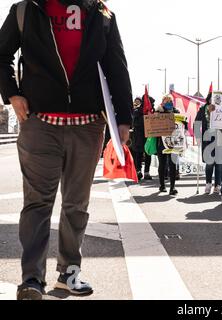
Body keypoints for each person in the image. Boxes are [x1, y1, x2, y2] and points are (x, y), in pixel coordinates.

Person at [0, 0, 132, 299]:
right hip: (39, 123)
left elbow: (116, 66)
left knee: (76, 204)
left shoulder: (102, 14)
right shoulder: (25, 10)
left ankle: (69, 272)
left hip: (88, 126)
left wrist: (123, 119)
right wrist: (11, 93)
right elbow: (1, 54)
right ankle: (31, 279)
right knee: (37, 204)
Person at [195, 90, 222, 194]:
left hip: (220, 138)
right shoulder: (203, 109)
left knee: (219, 163)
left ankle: (218, 185)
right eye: (212, 98)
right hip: (207, 138)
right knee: (209, 163)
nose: (213, 100)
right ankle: (208, 184)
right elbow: (197, 123)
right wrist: (197, 137)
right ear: (208, 99)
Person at [155, 95, 182, 196]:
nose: (168, 102)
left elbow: (182, 125)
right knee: (162, 164)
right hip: (161, 142)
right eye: (166, 101)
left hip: (173, 142)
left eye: (170, 101)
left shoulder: (176, 112)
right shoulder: (158, 112)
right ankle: (162, 185)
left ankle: (172, 187)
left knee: (172, 164)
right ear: (162, 102)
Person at [131, 95, 154, 180]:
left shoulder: (152, 111)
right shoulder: (137, 111)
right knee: (139, 154)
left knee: (148, 153)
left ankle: (147, 172)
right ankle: (138, 171)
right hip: (139, 136)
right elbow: (135, 123)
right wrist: (145, 117)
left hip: (149, 136)